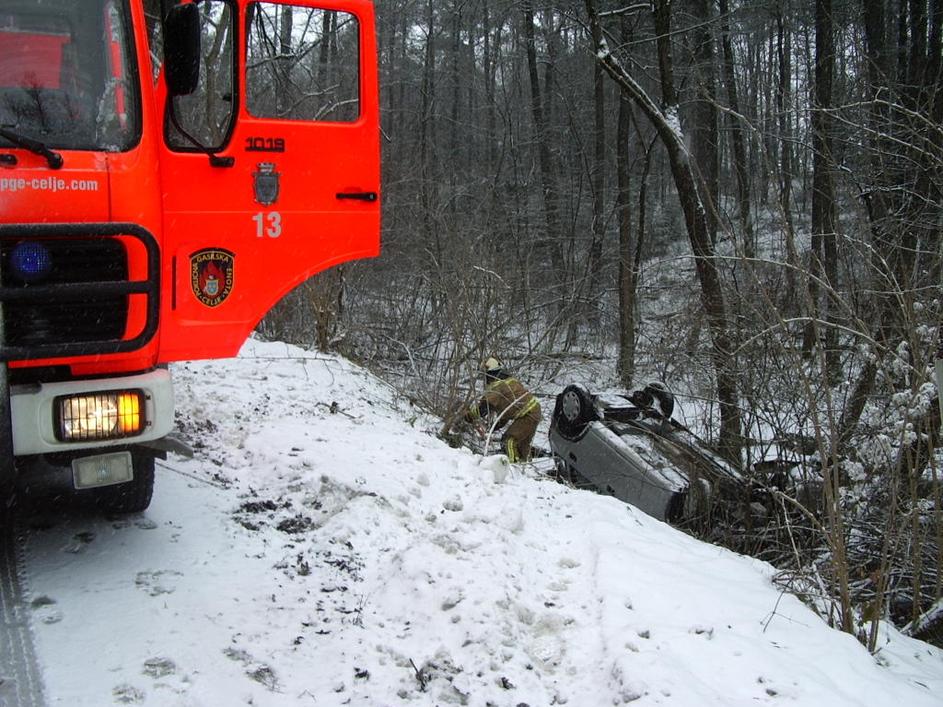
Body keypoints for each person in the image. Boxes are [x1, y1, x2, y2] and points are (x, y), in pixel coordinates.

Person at [465, 357, 541, 462]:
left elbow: (484, 408)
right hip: (533, 412)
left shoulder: (497, 387)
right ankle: (524, 467)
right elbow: (506, 413)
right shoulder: (509, 381)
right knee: (522, 445)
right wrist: (492, 428)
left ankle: (512, 468)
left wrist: (469, 416)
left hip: (528, 415)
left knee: (509, 441)